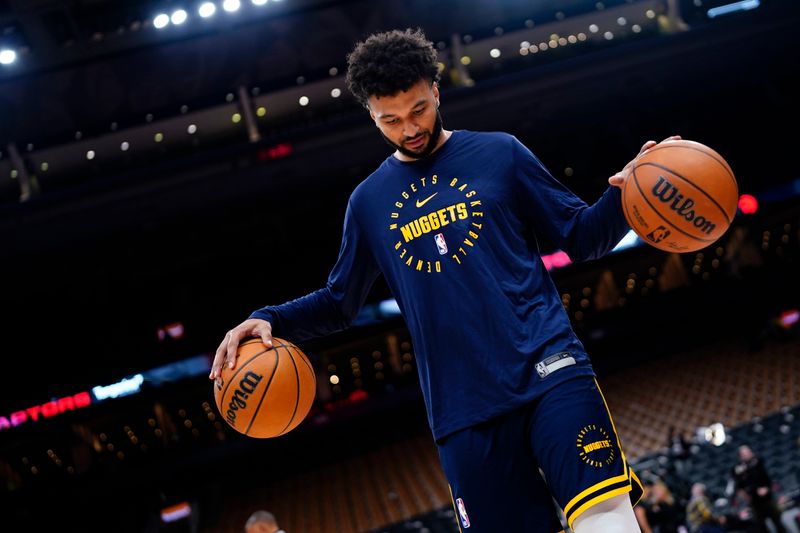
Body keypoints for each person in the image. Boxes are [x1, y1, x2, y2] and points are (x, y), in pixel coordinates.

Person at [210, 27, 680, 533]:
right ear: (372, 114)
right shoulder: (368, 203)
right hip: (463, 409)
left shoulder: (501, 153)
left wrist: (632, 191)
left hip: (550, 366)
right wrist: (267, 318)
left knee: (606, 521)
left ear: (436, 90)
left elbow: (582, 237)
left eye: (417, 110)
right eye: (390, 119)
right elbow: (339, 302)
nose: (408, 128)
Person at [731, 445, 788, 533]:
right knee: (761, 526)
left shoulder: (758, 461)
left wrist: (766, 489)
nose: (747, 454)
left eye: (748, 452)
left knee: (777, 521)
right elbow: (738, 487)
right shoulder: (737, 469)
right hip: (753, 501)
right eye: (744, 453)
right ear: (740, 456)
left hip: (767, 498)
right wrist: (746, 497)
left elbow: (768, 479)